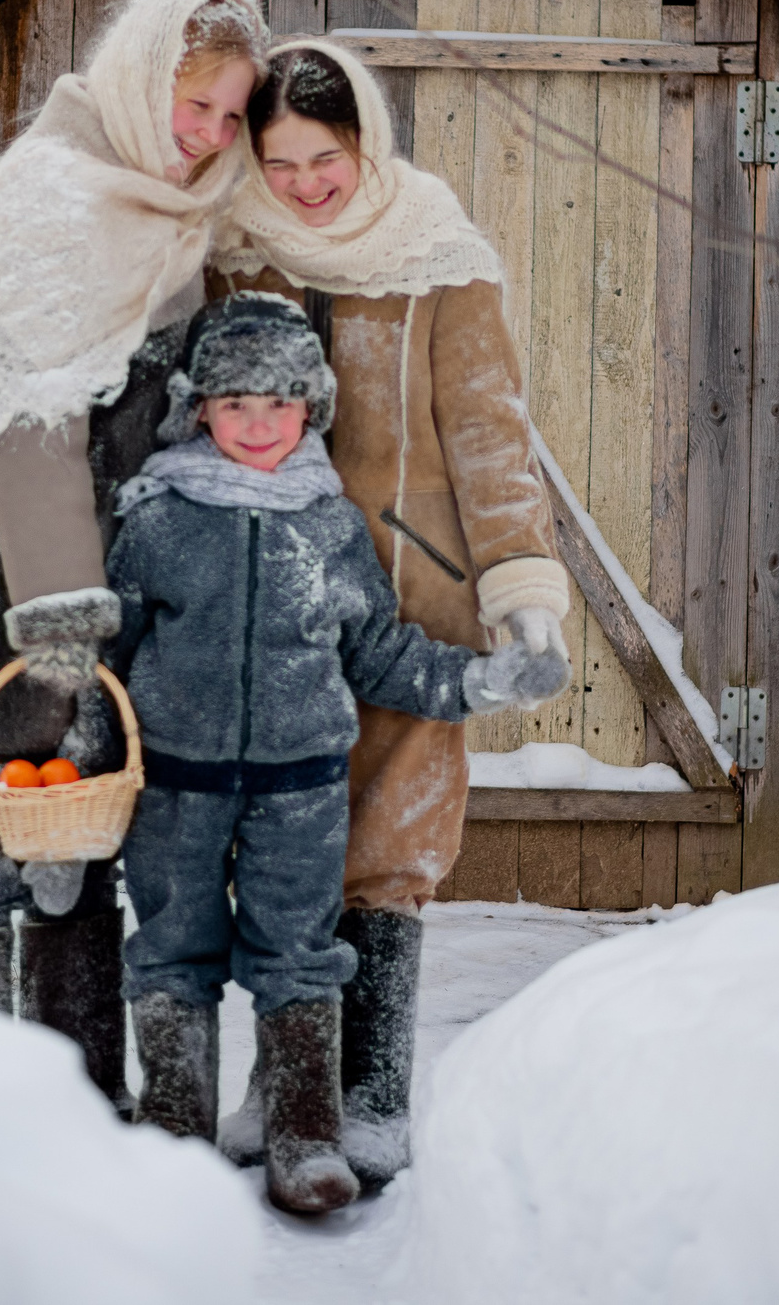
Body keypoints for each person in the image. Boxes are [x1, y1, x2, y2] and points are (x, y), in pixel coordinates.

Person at [104, 294, 563, 1214]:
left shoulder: (328, 523)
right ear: (200, 408)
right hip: (177, 788)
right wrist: (85, 740)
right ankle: (174, 1128)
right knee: (170, 947)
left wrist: (478, 682)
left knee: (299, 950)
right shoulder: (156, 519)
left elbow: (378, 651)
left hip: (302, 790)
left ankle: (305, 1134)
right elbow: (114, 649)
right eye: (237, 404)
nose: (260, 424)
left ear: (311, 408)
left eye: (281, 404)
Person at [208, 39, 572, 1190]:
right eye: (280, 160)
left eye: (326, 156)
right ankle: (286, 1076)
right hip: (273, 596)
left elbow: (487, 429)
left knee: (393, 844)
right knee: (275, 840)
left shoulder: (436, 256)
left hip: (413, 592)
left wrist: (520, 586)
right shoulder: (232, 254)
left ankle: (371, 1092)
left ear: (364, 138)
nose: (306, 182)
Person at [0, 0, 270, 1108]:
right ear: (138, 77)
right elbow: (31, 430)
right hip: (16, 583)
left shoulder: (168, 206)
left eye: (229, 116)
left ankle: (68, 1102)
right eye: (194, 105)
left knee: (82, 840)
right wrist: (60, 623)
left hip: (108, 592)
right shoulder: (52, 202)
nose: (209, 137)